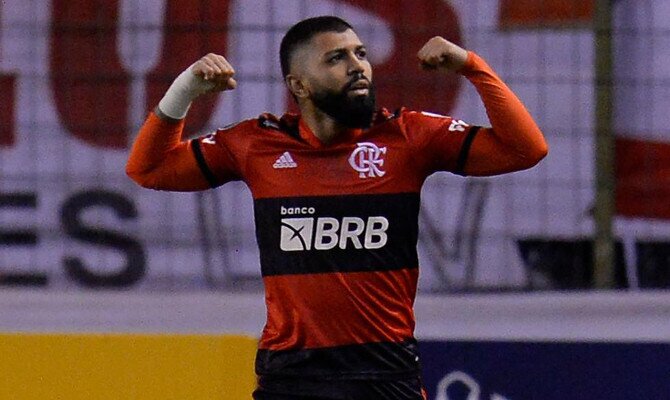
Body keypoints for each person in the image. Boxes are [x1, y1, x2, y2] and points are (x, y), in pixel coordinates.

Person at [126, 15, 547, 400]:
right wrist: (185, 90)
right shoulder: (256, 144)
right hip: (293, 376)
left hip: (384, 373)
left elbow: (525, 149)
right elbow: (149, 169)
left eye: (361, 54)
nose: (358, 66)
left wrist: (471, 66)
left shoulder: (408, 136)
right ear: (299, 86)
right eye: (336, 58)